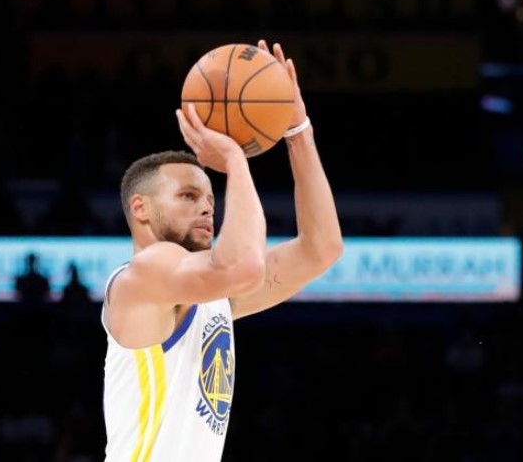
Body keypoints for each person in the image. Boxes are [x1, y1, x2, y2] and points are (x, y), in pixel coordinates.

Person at [100, 39, 343, 462]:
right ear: (140, 209)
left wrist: (298, 132)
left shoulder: (208, 296)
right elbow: (245, 266)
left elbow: (321, 249)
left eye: (211, 199)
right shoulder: (143, 275)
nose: (207, 208)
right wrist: (234, 159)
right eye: (188, 195)